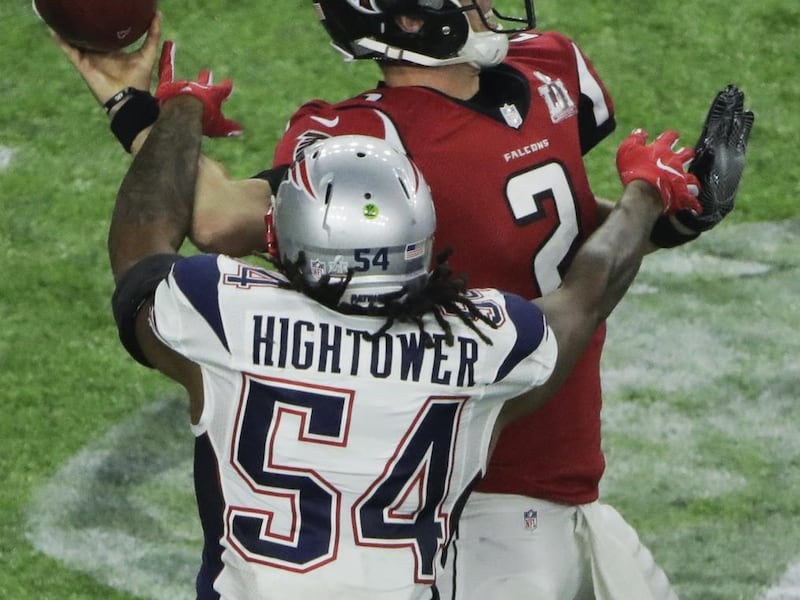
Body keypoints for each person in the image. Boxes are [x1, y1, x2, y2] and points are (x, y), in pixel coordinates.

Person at [56, 2, 753, 597]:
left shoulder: (547, 65)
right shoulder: (370, 140)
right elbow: (217, 220)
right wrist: (646, 197)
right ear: (410, 17)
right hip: (475, 490)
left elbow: (559, 220)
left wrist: (668, 220)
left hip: (556, 463)